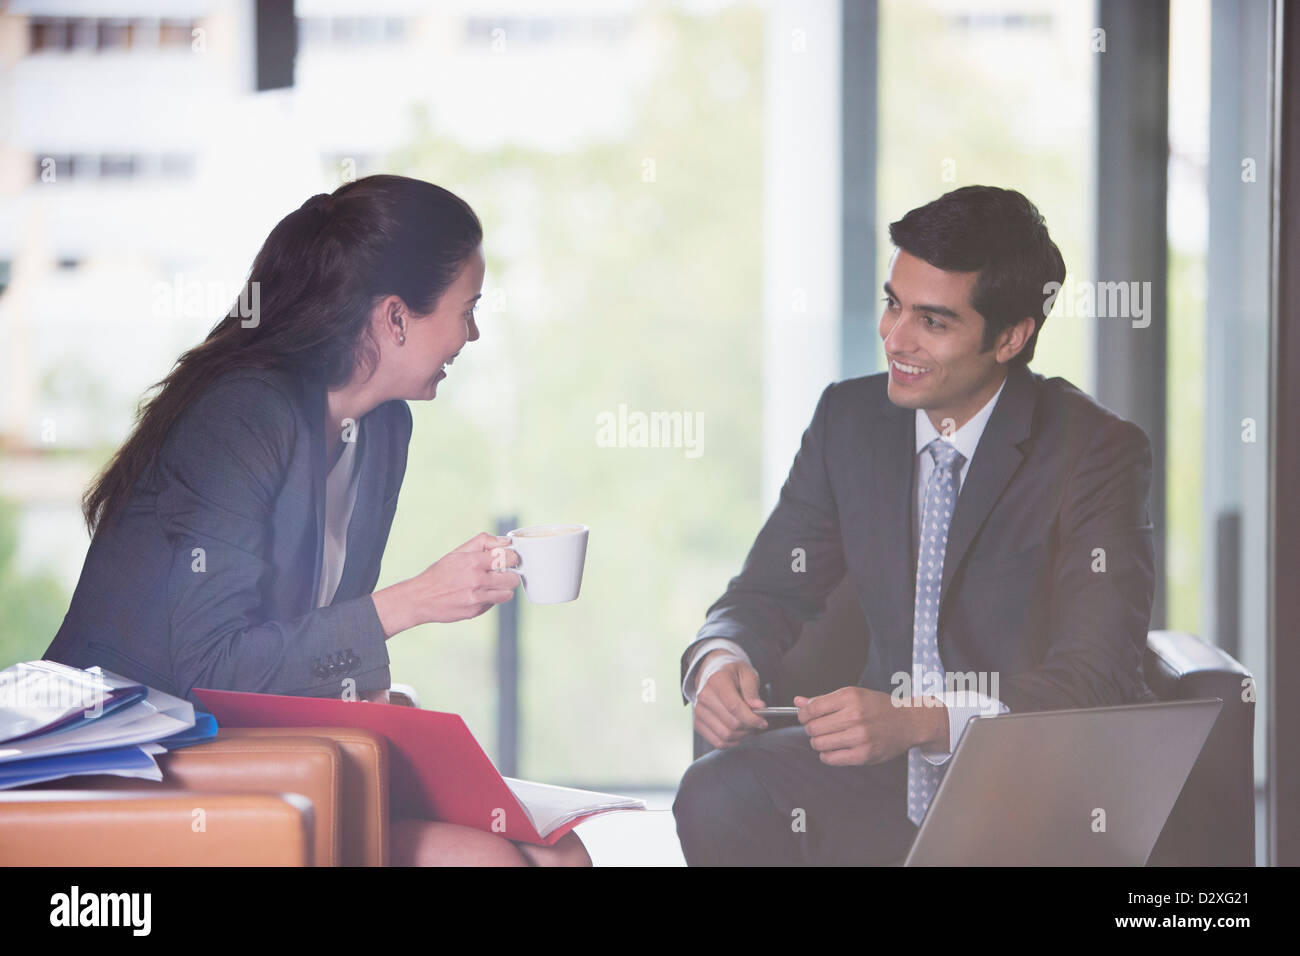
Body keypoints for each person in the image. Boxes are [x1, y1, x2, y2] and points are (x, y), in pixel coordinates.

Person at [44, 174, 589, 866]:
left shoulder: (384, 430)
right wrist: (414, 603)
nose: (472, 333)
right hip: (138, 754)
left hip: (255, 747)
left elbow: (320, 637)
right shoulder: (244, 414)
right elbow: (214, 666)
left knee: (562, 854)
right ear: (396, 317)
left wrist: (393, 720)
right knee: (494, 863)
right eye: (466, 308)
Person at [672, 185, 1158, 866]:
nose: (894, 338)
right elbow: (765, 593)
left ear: (1010, 337)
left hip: (1023, 792)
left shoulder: (1094, 451)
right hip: (879, 780)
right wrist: (721, 661)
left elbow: (1098, 675)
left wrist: (920, 722)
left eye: (932, 321)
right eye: (893, 303)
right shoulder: (850, 421)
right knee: (716, 789)